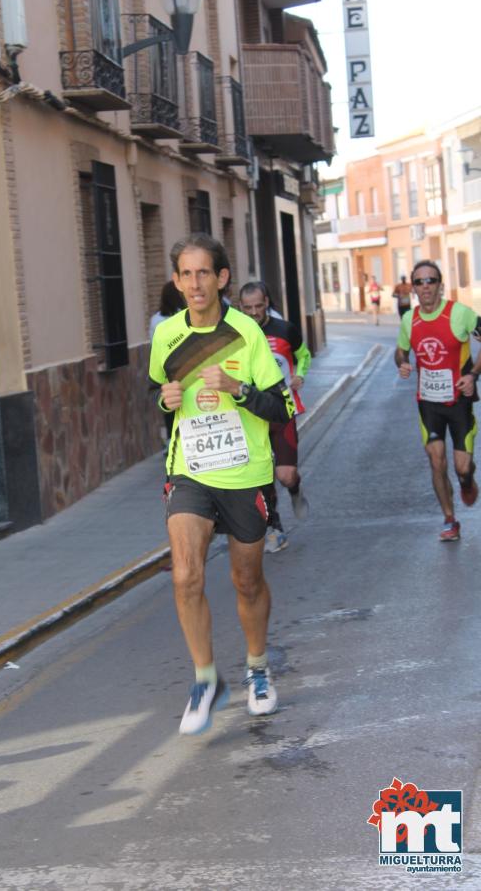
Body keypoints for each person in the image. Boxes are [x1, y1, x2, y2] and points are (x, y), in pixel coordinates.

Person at [149, 233, 295, 735]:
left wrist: (238, 389)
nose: (194, 283)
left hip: (244, 474)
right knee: (185, 575)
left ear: (222, 278)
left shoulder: (247, 335)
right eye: (185, 274)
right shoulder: (166, 335)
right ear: (176, 281)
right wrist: (164, 401)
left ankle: (257, 668)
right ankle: (206, 679)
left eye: (203, 273)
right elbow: (160, 399)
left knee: (246, 580)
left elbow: (283, 408)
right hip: (189, 470)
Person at [395, 259, 481, 541]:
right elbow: (400, 350)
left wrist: (473, 376)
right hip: (428, 403)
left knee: (461, 467)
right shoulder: (409, 319)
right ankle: (449, 520)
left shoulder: (460, 313)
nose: (425, 286)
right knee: (436, 461)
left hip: (458, 402)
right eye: (419, 282)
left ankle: (467, 480)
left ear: (440, 285)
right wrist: (403, 362)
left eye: (431, 280)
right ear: (414, 288)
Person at [239, 281, 311, 552]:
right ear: (241, 307)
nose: (254, 312)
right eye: (248, 308)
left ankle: (295, 490)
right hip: (252, 415)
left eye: (259, 306)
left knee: (286, 475)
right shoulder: (236, 336)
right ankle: (274, 526)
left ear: (267, 302)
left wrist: (300, 374)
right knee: (261, 477)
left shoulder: (284, 329)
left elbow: (304, 355)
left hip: (283, 411)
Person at [150, 281, 185, 445]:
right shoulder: (183, 316)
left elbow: (154, 345)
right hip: (184, 366)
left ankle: (172, 440)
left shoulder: (155, 320)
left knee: (168, 403)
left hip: (165, 368)